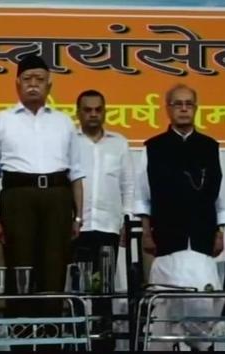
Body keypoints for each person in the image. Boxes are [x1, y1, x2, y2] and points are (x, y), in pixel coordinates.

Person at [0, 54, 85, 318]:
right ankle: (21, 341)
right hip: (18, 199)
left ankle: (52, 341)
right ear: (17, 84)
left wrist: (79, 217)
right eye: (27, 79)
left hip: (57, 198)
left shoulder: (64, 123)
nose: (33, 84)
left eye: (39, 79)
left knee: (54, 271)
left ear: (49, 85)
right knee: (20, 271)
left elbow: (77, 174)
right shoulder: (1, 121)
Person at [134, 83, 225, 351]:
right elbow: (142, 196)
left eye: (188, 104)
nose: (183, 109)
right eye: (177, 104)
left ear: (196, 108)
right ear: (167, 109)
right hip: (166, 237)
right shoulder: (153, 148)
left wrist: (220, 231)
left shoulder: (210, 147)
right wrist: (145, 232)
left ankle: (202, 346)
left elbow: (220, 194)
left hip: (201, 237)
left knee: (203, 301)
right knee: (166, 309)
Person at [73, 89, 134, 350]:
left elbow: (128, 185)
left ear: (105, 111)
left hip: (108, 227)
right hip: (77, 228)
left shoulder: (119, 143)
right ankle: (75, 343)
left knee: (104, 292)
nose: (93, 115)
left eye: (98, 109)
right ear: (79, 113)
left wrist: (126, 222)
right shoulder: (70, 142)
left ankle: (102, 346)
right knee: (76, 291)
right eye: (87, 110)